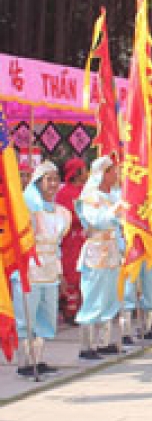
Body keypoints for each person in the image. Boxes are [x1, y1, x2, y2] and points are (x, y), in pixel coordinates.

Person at [13, 161, 71, 377]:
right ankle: (24, 363)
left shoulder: (61, 213)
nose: (53, 184)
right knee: (26, 316)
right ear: (38, 182)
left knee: (46, 316)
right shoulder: (25, 209)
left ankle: (38, 359)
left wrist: (60, 273)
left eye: (56, 179)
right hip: (28, 270)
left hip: (49, 271)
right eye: (48, 179)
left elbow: (57, 247)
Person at [74, 156, 124, 360]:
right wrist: (117, 210)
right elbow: (98, 220)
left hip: (113, 250)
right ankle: (86, 346)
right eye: (113, 171)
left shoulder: (114, 195)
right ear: (103, 174)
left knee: (110, 297)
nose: (116, 174)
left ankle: (104, 342)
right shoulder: (90, 197)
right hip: (96, 251)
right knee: (93, 297)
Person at [121, 163, 152, 344]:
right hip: (132, 247)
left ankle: (150, 327)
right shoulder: (127, 195)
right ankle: (125, 332)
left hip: (151, 248)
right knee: (128, 289)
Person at [57, 158, 88, 324]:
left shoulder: (87, 190)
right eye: (84, 169)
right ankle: (70, 311)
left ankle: (83, 308)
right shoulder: (64, 193)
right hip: (71, 240)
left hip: (85, 239)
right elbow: (64, 216)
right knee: (71, 273)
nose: (87, 172)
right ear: (76, 173)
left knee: (84, 274)